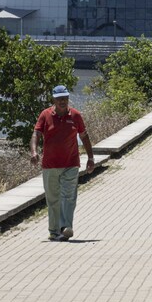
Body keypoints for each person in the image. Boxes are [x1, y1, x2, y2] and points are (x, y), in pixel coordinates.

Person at [30, 85, 95, 242]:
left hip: (71, 164)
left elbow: (84, 137)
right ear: (54, 99)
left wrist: (91, 158)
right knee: (53, 199)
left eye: (65, 98)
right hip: (50, 165)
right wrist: (34, 152)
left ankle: (65, 227)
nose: (62, 101)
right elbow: (36, 134)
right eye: (59, 99)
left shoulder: (76, 115)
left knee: (69, 196)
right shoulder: (45, 115)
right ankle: (54, 231)